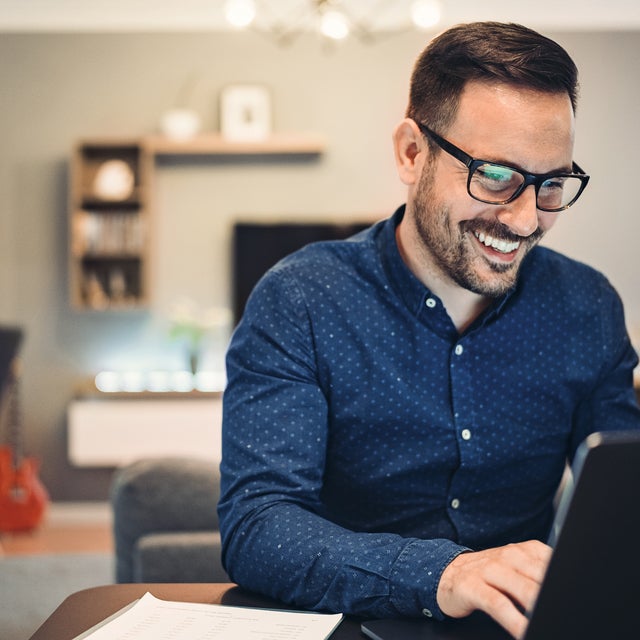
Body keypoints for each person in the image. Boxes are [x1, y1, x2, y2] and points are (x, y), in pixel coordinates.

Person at [217, 21, 640, 640]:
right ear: (412, 154)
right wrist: (445, 575)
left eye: (552, 184)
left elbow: (621, 504)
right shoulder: (300, 300)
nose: (526, 220)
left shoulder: (588, 305)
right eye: (496, 175)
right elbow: (258, 526)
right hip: (351, 627)